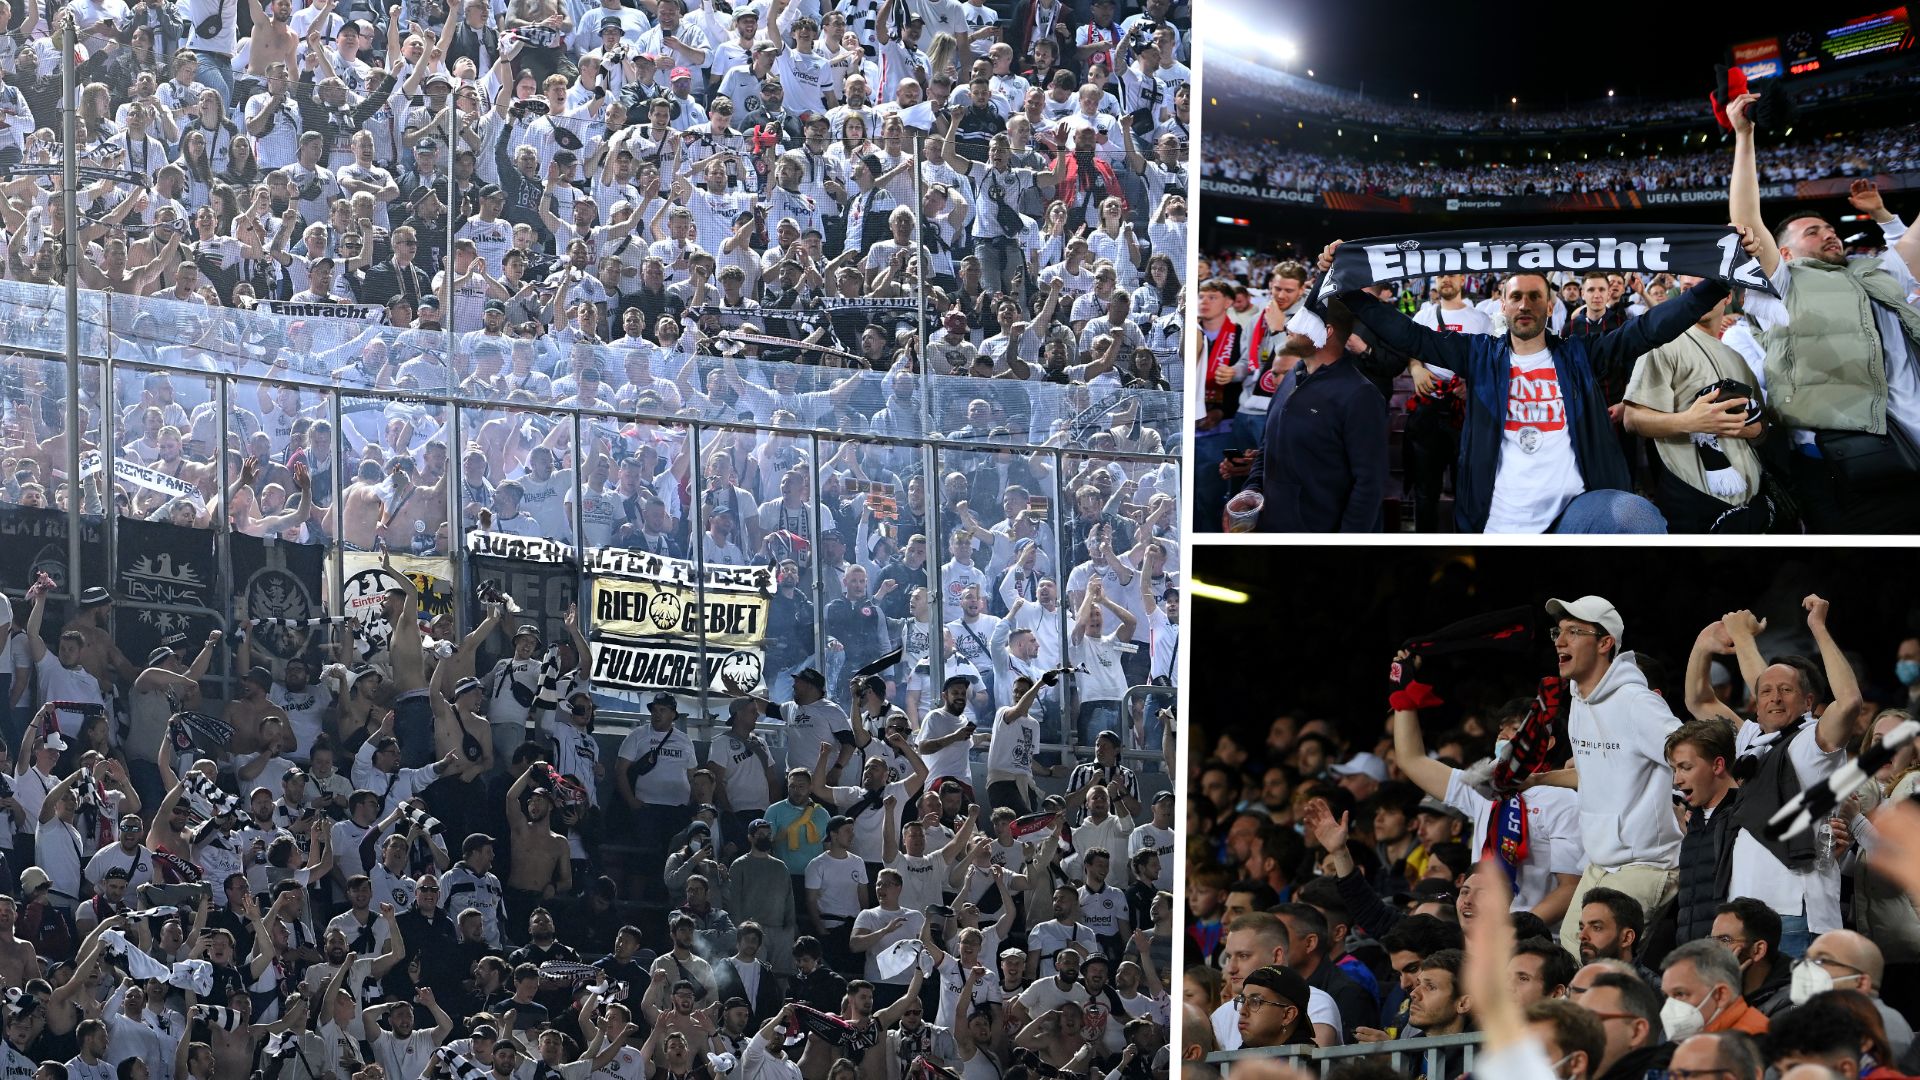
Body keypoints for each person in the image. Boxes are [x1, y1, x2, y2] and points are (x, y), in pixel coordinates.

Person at [1322, 240, 1733, 533]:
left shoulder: (1579, 355)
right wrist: (1353, 294)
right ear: (1502, 304)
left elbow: (1647, 330)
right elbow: (1410, 336)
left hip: (1573, 513)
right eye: (1516, 297)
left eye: (1535, 297)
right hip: (1498, 516)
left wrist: (1714, 287)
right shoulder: (1478, 355)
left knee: (1637, 516)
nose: (1524, 305)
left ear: (1550, 306)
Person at [1726, 92, 1920, 532]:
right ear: (1787, 252)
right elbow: (1746, 221)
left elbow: (1914, 245)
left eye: (1831, 229)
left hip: (1911, 444)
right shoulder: (1786, 283)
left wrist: (1884, 216)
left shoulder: (1874, 271)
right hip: (1843, 462)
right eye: (1814, 232)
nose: (1830, 235)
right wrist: (1744, 134)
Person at [1241, 298, 1388, 532]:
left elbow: (1370, 484)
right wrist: (1252, 490)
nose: (1289, 326)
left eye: (1302, 320)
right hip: (1273, 529)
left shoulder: (1361, 396)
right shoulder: (1291, 376)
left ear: (1327, 332)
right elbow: (1267, 448)